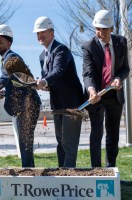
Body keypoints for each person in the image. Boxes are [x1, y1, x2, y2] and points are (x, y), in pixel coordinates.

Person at [0, 24, 41, 168]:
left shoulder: (11, 58)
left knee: (25, 141)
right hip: (24, 105)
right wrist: (4, 92)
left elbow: (4, 77)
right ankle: (28, 170)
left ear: (9, 42)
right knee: (24, 141)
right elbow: (14, 81)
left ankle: (28, 173)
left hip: (28, 105)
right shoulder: (6, 58)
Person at [33, 17, 84, 167]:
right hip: (57, 104)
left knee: (69, 143)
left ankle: (69, 176)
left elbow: (58, 71)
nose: (39, 36)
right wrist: (42, 84)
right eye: (37, 33)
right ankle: (62, 172)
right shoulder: (42, 56)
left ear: (51, 33)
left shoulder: (61, 50)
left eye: (42, 32)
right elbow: (49, 78)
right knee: (60, 142)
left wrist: (44, 81)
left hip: (71, 103)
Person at [82, 10, 130, 167]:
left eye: (104, 29)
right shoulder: (88, 47)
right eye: (97, 28)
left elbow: (125, 69)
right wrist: (91, 90)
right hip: (96, 96)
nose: (100, 32)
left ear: (111, 28)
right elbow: (87, 72)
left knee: (113, 134)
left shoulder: (121, 42)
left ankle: (110, 170)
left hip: (115, 96)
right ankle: (96, 170)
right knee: (96, 133)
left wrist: (118, 78)